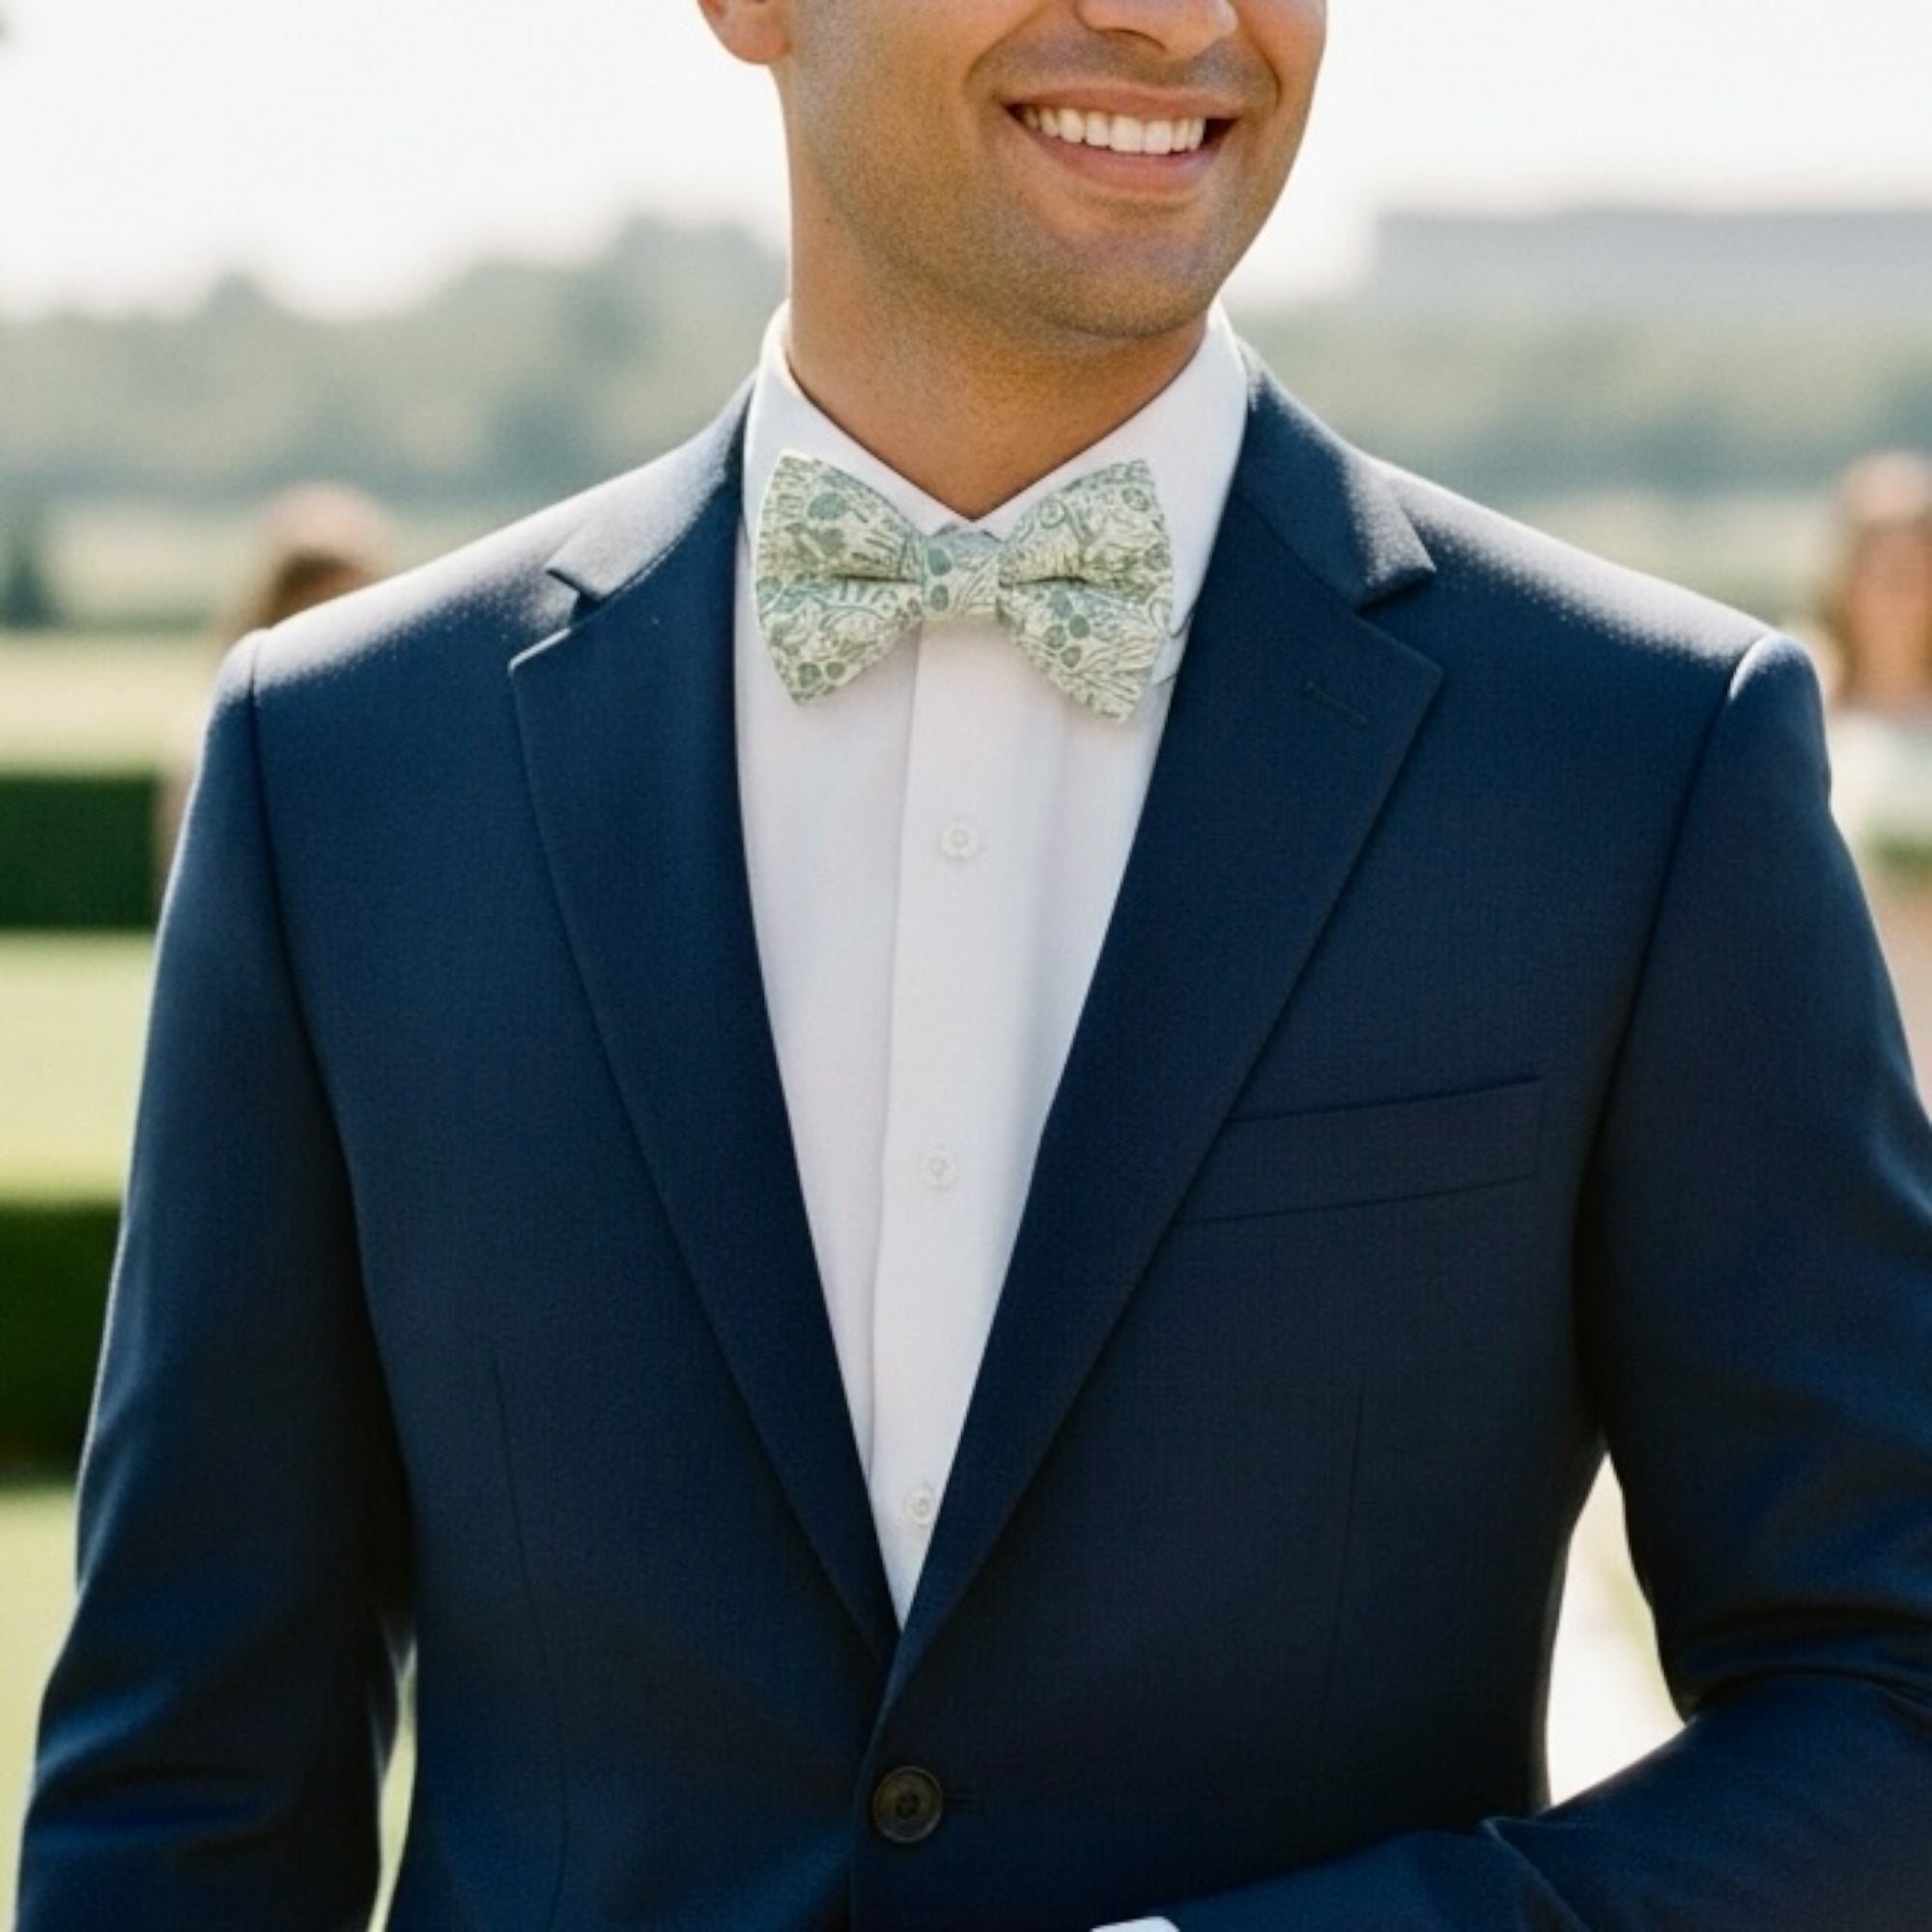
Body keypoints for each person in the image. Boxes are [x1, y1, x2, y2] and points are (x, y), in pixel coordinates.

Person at [20, 3, 1932, 1926]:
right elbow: (184, 1802)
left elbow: (1886, 1703)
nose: (1183, 19)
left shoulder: (1634, 758)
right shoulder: (345, 769)